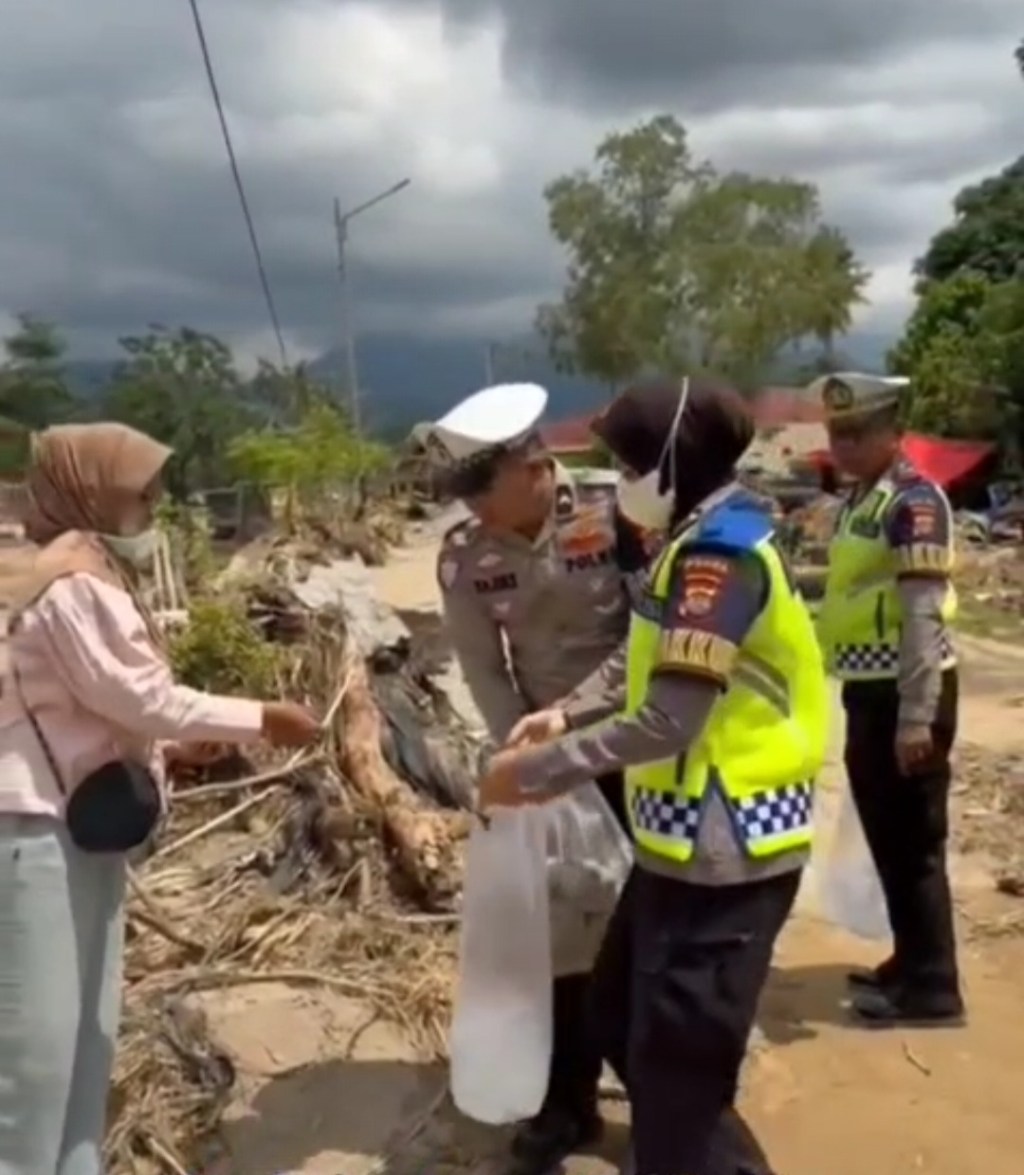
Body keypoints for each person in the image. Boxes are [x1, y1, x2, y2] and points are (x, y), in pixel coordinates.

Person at [478, 377, 830, 1175]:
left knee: (679, 1075)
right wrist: (563, 714)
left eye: (628, 461)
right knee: (616, 1016)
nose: (618, 478)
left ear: (669, 463)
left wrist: (535, 772)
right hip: (674, 844)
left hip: (729, 846)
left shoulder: (719, 558)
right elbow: (642, 659)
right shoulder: (689, 541)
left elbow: (670, 717)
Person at [0, 423, 321, 1175]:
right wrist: (262, 719)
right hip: (35, 837)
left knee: (87, 1041)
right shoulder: (65, 583)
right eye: (136, 493)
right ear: (89, 490)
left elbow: (89, 710)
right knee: (33, 1066)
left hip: (80, 832)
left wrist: (169, 749)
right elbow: (139, 695)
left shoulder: (91, 570)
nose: (150, 506)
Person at [422, 382, 637, 1174]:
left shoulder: (619, 518)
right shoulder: (464, 557)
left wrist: (578, 722)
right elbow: (485, 666)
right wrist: (525, 755)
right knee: (563, 939)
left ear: (536, 462)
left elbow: (648, 637)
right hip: (553, 768)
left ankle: (661, 1089)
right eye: (463, 491)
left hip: (645, 750)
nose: (472, 506)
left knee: (648, 928)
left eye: (483, 485)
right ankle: (566, 1103)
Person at [813, 372, 964, 1026]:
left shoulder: (915, 502)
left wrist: (917, 715)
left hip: (907, 691)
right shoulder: (864, 501)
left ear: (893, 431)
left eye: (857, 432)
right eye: (836, 433)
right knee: (888, 835)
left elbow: (924, 614)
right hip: (868, 689)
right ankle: (911, 957)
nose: (844, 445)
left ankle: (934, 987)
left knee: (915, 842)